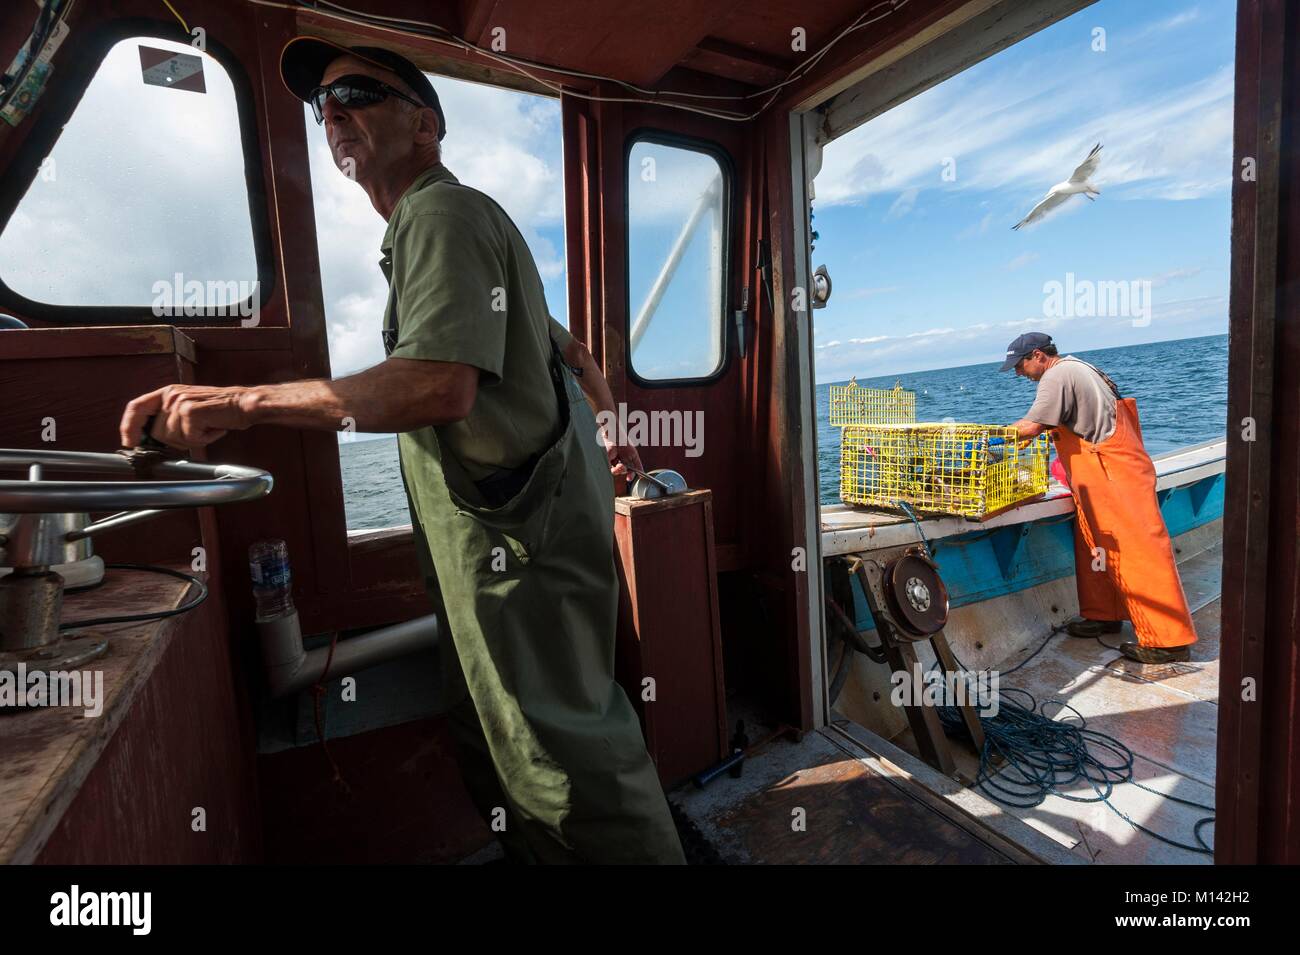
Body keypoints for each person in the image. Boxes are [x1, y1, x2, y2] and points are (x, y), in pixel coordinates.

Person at [118, 39, 684, 863]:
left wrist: (240, 404)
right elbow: (575, 355)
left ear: (427, 126)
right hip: (526, 550)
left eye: (357, 93)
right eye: (324, 106)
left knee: (570, 774)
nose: (334, 111)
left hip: (518, 561)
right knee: (523, 756)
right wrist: (616, 442)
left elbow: (436, 386)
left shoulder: (439, 214)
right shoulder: (450, 231)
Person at [1002, 332, 1197, 664]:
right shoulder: (1078, 367)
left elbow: (1032, 427)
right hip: (1101, 476)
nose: (1018, 373)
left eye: (1019, 365)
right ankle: (1105, 615)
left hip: (1112, 474)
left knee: (1138, 551)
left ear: (1038, 356)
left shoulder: (1057, 375)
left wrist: (985, 439)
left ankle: (1169, 641)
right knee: (1097, 548)